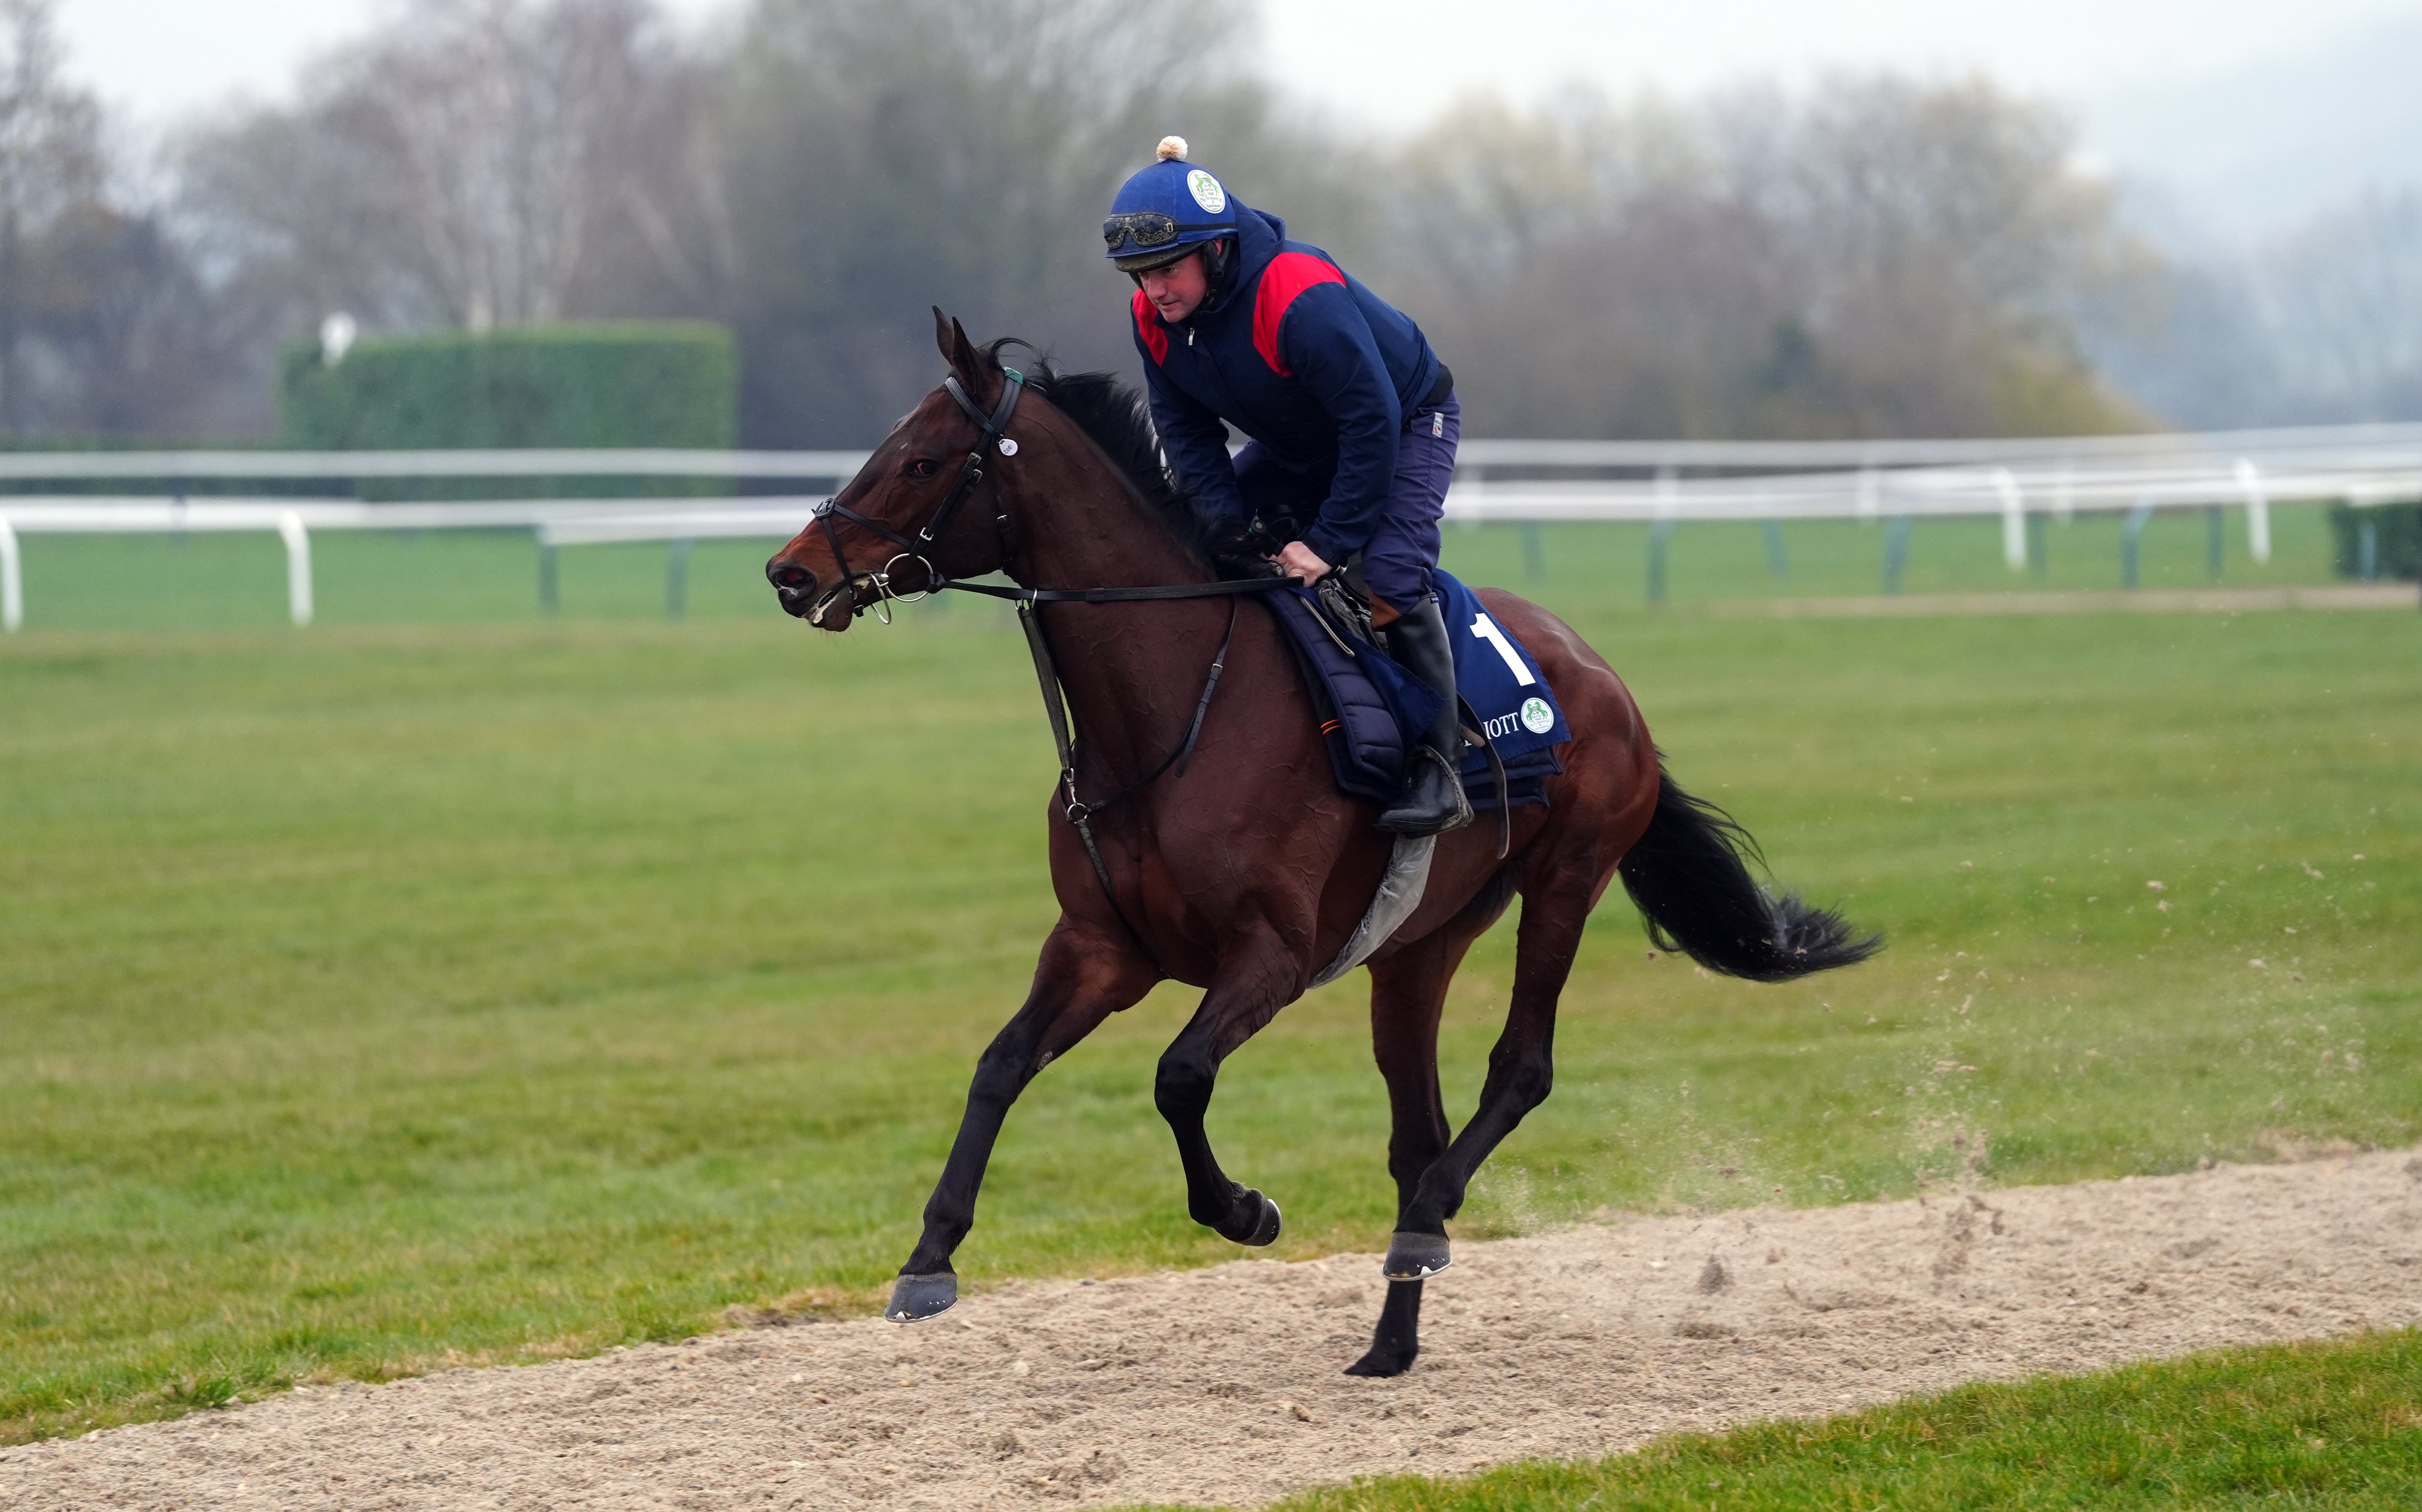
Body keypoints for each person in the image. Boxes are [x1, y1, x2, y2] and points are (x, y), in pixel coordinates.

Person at [1105, 136, 1471, 837]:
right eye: (1137, 274)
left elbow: (1371, 423)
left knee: (1387, 572)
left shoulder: (1296, 293)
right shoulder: (1153, 319)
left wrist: (1328, 544)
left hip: (1404, 425)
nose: (1153, 291)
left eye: (1167, 270)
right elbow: (1188, 439)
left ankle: (1442, 767)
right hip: (1301, 445)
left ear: (1216, 251)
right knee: (1206, 556)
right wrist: (1229, 532)